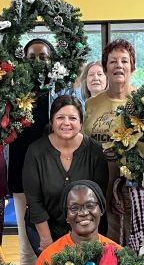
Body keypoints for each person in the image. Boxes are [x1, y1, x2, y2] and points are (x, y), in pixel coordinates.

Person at [23, 95, 108, 255]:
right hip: (46, 230)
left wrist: (87, 239)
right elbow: (34, 202)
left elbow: (99, 199)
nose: (66, 123)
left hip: (87, 229)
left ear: (81, 123)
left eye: (72, 118)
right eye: (60, 117)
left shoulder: (95, 150)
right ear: (52, 122)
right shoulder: (35, 151)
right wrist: (47, 241)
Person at [6, 38, 55, 265]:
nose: (38, 62)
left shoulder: (59, 90)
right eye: (32, 57)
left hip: (55, 174)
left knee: (54, 239)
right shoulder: (12, 93)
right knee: (27, 243)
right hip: (21, 176)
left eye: (43, 57)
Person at [83, 39, 139, 246]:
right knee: (103, 239)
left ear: (132, 66)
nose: (119, 65)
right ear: (105, 68)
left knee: (131, 237)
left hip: (131, 185)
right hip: (97, 182)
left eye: (124, 61)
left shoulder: (142, 101)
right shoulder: (91, 103)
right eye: (113, 61)